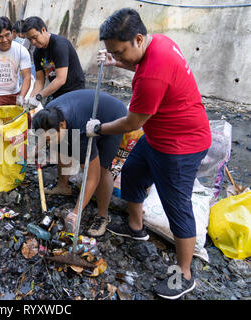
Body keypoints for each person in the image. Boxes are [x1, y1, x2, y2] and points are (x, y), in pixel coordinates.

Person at [86, 8, 211, 299]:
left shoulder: (150, 77)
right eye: (112, 52)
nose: (118, 56)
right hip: (159, 134)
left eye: (119, 51)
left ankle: (184, 274)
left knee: (176, 205)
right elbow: (140, 65)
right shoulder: (160, 44)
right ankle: (135, 226)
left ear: (138, 38)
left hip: (180, 145)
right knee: (132, 173)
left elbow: (132, 122)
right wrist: (117, 61)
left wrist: (99, 128)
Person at [33, 89, 127, 237]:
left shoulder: (79, 132)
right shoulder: (49, 115)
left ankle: (102, 216)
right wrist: (38, 148)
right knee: (59, 145)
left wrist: (76, 213)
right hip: (85, 113)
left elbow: (92, 177)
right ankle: (63, 186)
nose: (47, 141)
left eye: (49, 138)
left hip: (113, 116)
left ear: (63, 125)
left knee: (101, 170)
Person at [23, 16, 85, 108]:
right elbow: (40, 80)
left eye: (35, 37)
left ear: (43, 30)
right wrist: (31, 98)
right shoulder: (37, 52)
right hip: (56, 92)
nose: (33, 42)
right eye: (29, 39)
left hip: (74, 92)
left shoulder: (59, 45)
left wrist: (39, 96)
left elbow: (60, 79)